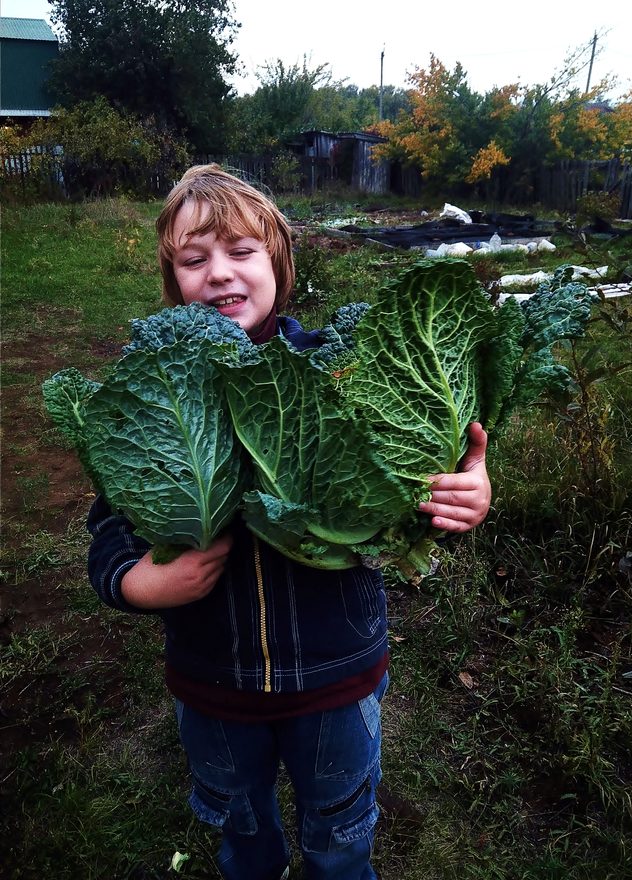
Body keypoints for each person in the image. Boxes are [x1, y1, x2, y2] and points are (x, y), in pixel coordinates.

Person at [87, 164, 491, 880]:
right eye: (193, 259)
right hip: (213, 678)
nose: (219, 274)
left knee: (340, 838)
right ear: (172, 281)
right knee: (242, 831)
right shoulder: (154, 396)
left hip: (337, 673)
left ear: (277, 263)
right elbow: (111, 519)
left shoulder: (339, 370)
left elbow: (416, 464)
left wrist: (467, 481)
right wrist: (138, 583)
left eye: (241, 252)